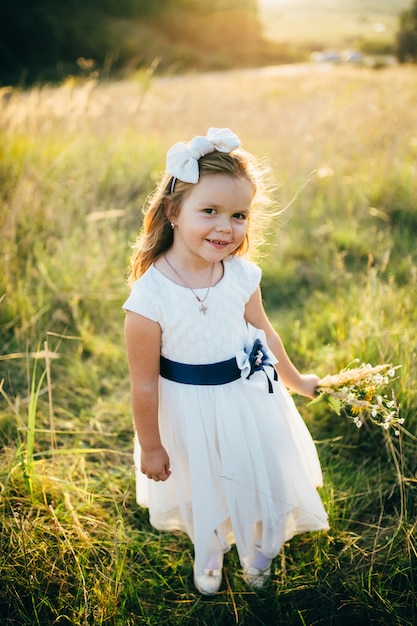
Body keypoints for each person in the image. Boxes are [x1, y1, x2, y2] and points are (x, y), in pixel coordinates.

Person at [123, 127, 329, 596]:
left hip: (248, 400)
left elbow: (265, 333)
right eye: (209, 211)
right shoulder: (149, 298)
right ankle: (210, 549)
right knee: (204, 484)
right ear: (174, 211)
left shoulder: (240, 275)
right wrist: (152, 447)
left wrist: (297, 381)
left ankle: (259, 548)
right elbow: (144, 384)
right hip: (187, 410)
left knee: (261, 473)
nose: (225, 227)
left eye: (239, 215)